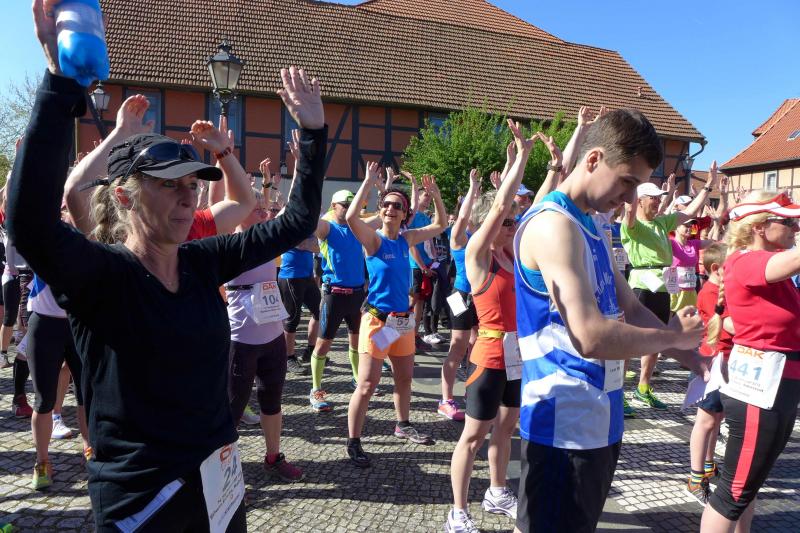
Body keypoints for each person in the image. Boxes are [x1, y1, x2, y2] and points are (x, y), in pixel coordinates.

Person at [10, 9, 325, 527]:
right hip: (145, 504)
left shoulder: (202, 261)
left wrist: (312, 135)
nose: (187, 197)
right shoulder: (102, 277)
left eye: (191, 185)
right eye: (168, 184)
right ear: (125, 198)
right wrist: (60, 85)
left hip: (220, 489)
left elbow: (295, 223)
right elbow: (30, 224)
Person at [513, 109, 707, 532]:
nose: (631, 198)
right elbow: (589, 335)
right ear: (594, 159)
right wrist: (672, 337)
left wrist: (698, 362)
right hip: (562, 426)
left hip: (600, 417)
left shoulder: (591, 223)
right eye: (627, 182)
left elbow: (631, 308)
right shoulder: (553, 225)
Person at [445, 121, 533, 532]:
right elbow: (498, 207)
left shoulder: (515, 257)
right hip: (489, 357)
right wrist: (520, 157)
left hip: (516, 356)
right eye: (510, 221)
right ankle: (457, 512)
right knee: (473, 436)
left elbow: (541, 202)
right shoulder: (478, 256)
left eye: (515, 221)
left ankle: (497, 491)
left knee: (507, 427)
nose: (514, 224)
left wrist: (549, 163)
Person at [701, 192, 800, 532]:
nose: (795, 228)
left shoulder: (764, 265)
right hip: (762, 391)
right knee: (733, 492)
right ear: (759, 227)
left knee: (747, 486)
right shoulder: (747, 261)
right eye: (787, 222)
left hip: (777, 386)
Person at [344, 162, 446, 467]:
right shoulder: (374, 240)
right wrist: (367, 182)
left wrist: (436, 196)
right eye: (386, 205)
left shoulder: (406, 239)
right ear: (381, 209)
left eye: (397, 206)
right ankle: (354, 441)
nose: (390, 209)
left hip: (402, 322)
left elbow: (440, 224)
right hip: (377, 321)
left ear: (405, 214)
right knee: (367, 384)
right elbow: (351, 218)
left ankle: (403, 424)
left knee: (404, 378)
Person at [621, 162, 718, 415]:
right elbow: (629, 211)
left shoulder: (662, 223)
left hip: (663, 284)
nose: (657, 202)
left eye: (658, 198)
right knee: (631, 339)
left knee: (658, 338)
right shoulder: (632, 225)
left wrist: (708, 186)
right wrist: (634, 186)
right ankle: (618, 392)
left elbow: (690, 212)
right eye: (653, 198)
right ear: (641, 200)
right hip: (641, 284)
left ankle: (643, 387)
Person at [225, 188, 303, 482]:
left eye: (264, 207)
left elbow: (292, 212)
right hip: (240, 338)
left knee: (272, 401)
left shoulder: (269, 240)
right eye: (257, 208)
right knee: (232, 409)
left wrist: (287, 181)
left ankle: (273, 457)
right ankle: (225, 476)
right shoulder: (227, 243)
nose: (264, 211)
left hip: (272, 336)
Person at [26, 269, 91, 489]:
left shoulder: (85, 247)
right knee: (44, 399)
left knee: (86, 393)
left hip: (80, 323)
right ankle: (42, 462)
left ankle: (89, 449)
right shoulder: (44, 247)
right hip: (44, 325)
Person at [307, 189, 366, 411]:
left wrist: (375, 185)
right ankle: (315, 389)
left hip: (357, 295)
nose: (350, 209)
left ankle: (357, 378)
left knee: (357, 342)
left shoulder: (358, 227)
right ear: (334, 206)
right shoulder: (327, 227)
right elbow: (309, 220)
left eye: (353, 205)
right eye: (345, 205)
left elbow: (388, 217)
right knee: (323, 344)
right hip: (334, 295)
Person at [686, 243, 733, 505]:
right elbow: (728, 326)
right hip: (712, 363)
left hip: (726, 362)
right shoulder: (709, 293)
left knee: (716, 419)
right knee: (705, 422)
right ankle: (695, 478)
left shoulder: (724, 290)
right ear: (716, 269)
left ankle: (708, 464)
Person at [439, 169, 481, 421]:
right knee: (457, 347)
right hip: (459, 294)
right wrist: (472, 187)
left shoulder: (480, 235)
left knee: (476, 346)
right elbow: (463, 215)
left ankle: (472, 391)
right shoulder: (457, 236)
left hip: (479, 296)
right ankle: (446, 400)